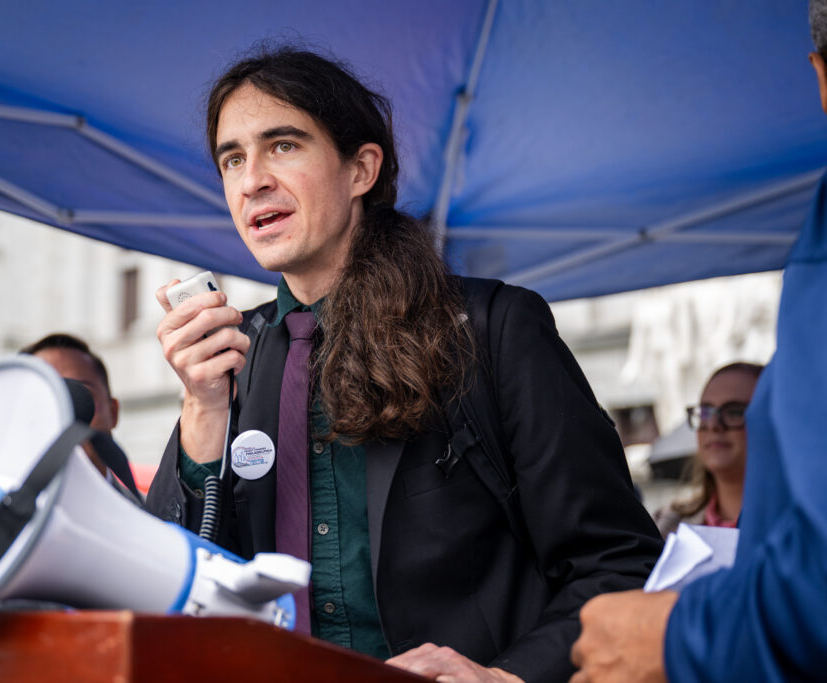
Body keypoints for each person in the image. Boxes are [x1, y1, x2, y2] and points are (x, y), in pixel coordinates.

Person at [145, 47, 662, 683]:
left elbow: (618, 564)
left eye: (283, 146)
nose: (252, 179)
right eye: (232, 158)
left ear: (361, 168)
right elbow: (167, 591)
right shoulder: (232, 359)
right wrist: (201, 409)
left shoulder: (492, 328)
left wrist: (508, 677)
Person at [571, 4, 827, 679]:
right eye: (705, 412)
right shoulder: (675, 523)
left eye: (740, 410)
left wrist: (678, 635)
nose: (714, 426)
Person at [20, 333, 141, 499]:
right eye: (43, 400)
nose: (64, 415)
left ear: (112, 413)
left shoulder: (153, 516)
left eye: (81, 397)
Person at [652, 362, 763, 538]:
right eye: (705, 413)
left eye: (734, 412)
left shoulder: (806, 523)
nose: (713, 425)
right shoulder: (666, 527)